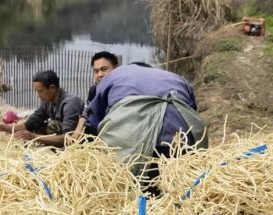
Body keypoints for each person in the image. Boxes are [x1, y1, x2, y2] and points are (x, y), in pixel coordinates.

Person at [86, 63, 208, 191]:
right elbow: (192, 110)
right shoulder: (177, 78)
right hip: (179, 139)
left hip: (132, 138)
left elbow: (94, 120)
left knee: (128, 188)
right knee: (179, 189)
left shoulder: (113, 76)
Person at [0, 70, 84, 148]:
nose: (38, 95)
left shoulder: (70, 103)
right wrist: (2, 127)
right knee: (35, 128)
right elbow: (27, 126)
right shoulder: (47, 101)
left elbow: (68, 138)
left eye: (40, 91)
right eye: (36, 91)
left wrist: (33, 137)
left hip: (77, 145)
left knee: (52, 125)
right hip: (60, 139)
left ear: (52, 88)